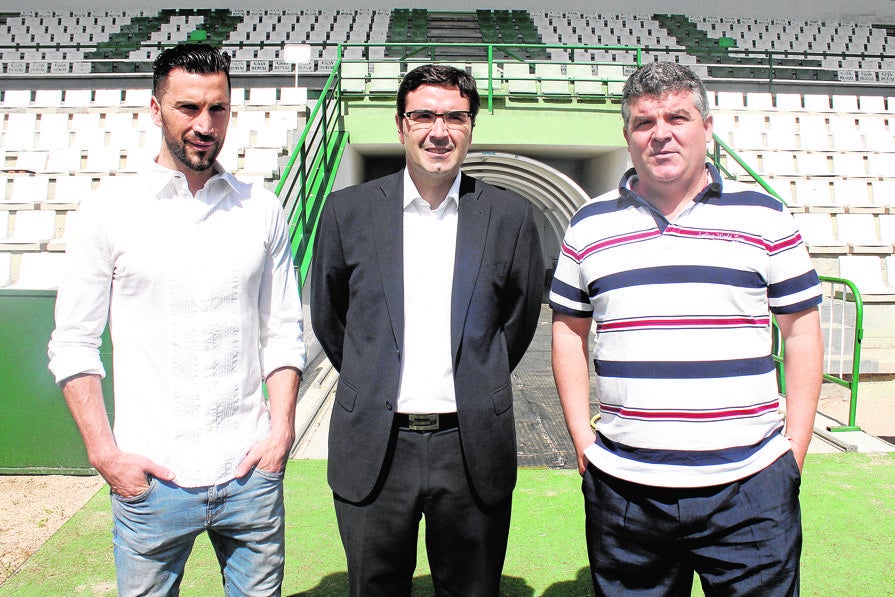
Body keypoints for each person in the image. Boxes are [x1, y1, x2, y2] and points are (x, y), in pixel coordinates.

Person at [550, 62, 824, 596]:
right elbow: (567, 331)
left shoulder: (766, 216)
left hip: (750, 486)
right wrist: (584, 440)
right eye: (644, 122)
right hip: (626, 489)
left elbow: (802, 330)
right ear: (627, 136)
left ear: (707, 126)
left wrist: (795, 449)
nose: (661, 134)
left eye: (677, 117)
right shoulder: (589, 224)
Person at [48, 44, 305, 596]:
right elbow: (73, 344)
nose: (204, 125)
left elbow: (283, 330)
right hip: (151, 478)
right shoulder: (107, 212)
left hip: (250, 473)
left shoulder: (261, 207)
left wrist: (280, 431)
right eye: (188, 108)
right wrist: (104, 454)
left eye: (218, 109)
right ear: (155, 108)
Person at [311, 64, 544, 596]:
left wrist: (475, 377)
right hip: (375, 443)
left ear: (471, 126)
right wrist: (373, 376)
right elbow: (331, 318)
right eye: (423, 116)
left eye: (455, 117)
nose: (439, 131)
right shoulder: (347, 212)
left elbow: (519, 318)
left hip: (471, 445)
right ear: (400, 125)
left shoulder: (510, 216)